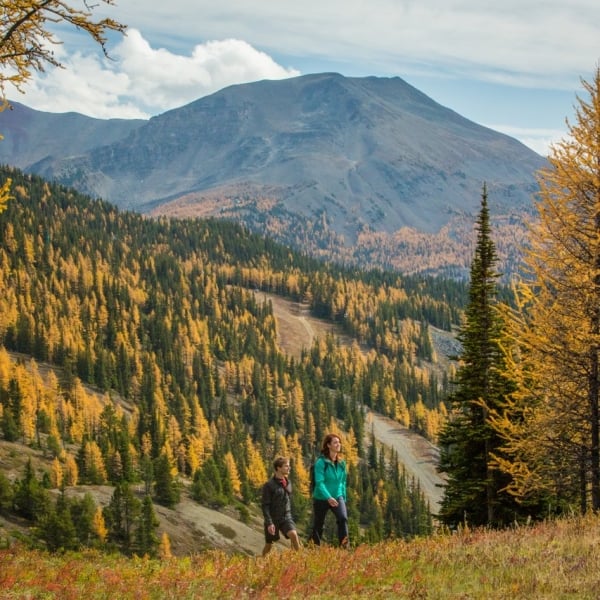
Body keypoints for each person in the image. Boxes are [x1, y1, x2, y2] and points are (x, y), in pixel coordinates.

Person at [309, 433, 349, 548]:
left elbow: (343, 482)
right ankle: (314, 548)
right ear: (328, 445)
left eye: (339, 442)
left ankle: (344, 548)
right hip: (321, 498)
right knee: (319, 525)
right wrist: (328, 497)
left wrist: (343, 497)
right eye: (335, 442)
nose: (338, 444)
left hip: (337, 496)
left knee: (343, 519)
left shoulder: (342, 463)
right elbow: (319, 483)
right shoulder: (321, 463)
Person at [261, 456, 302, 556]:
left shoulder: (288, 483)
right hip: (273, 519)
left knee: (293, 534)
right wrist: (269, 523)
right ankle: (261, 562)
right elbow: (265, 505)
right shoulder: (269, 485)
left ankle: (298, 561)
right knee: (269, 544)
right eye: (286, 466)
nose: (289, 468)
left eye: (289, 466)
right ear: (278, 468)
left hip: (286, 517)